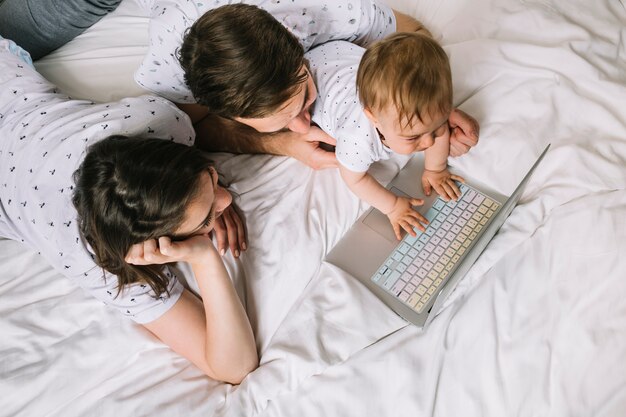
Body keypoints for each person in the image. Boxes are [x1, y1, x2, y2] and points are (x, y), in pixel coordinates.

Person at [0, 38, 256, 384]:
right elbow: (234, 366)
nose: (226, 201)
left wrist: (201, 204)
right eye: (208, 216)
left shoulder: (161, 124)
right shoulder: (98, 258)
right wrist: (205, 258)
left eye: (212, 178)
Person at [175, 3, 479, 171]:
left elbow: (414, 37)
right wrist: (281, 144)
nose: (303, 125)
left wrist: (423, 106)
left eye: (305, 98)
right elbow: (193, 129)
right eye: (280, 123)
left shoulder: (337, 12)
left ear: (298, 45)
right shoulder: (177, 76)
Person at [305, 33, 472, 240]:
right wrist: (392, 206)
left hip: (343, 54)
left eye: (436, 128)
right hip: (317, 70)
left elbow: (438, 131)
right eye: (412, 137)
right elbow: (354, 179)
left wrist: (435, 169)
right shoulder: (357, 140)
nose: (429, 142)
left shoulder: (427, 117)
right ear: (374, 119)